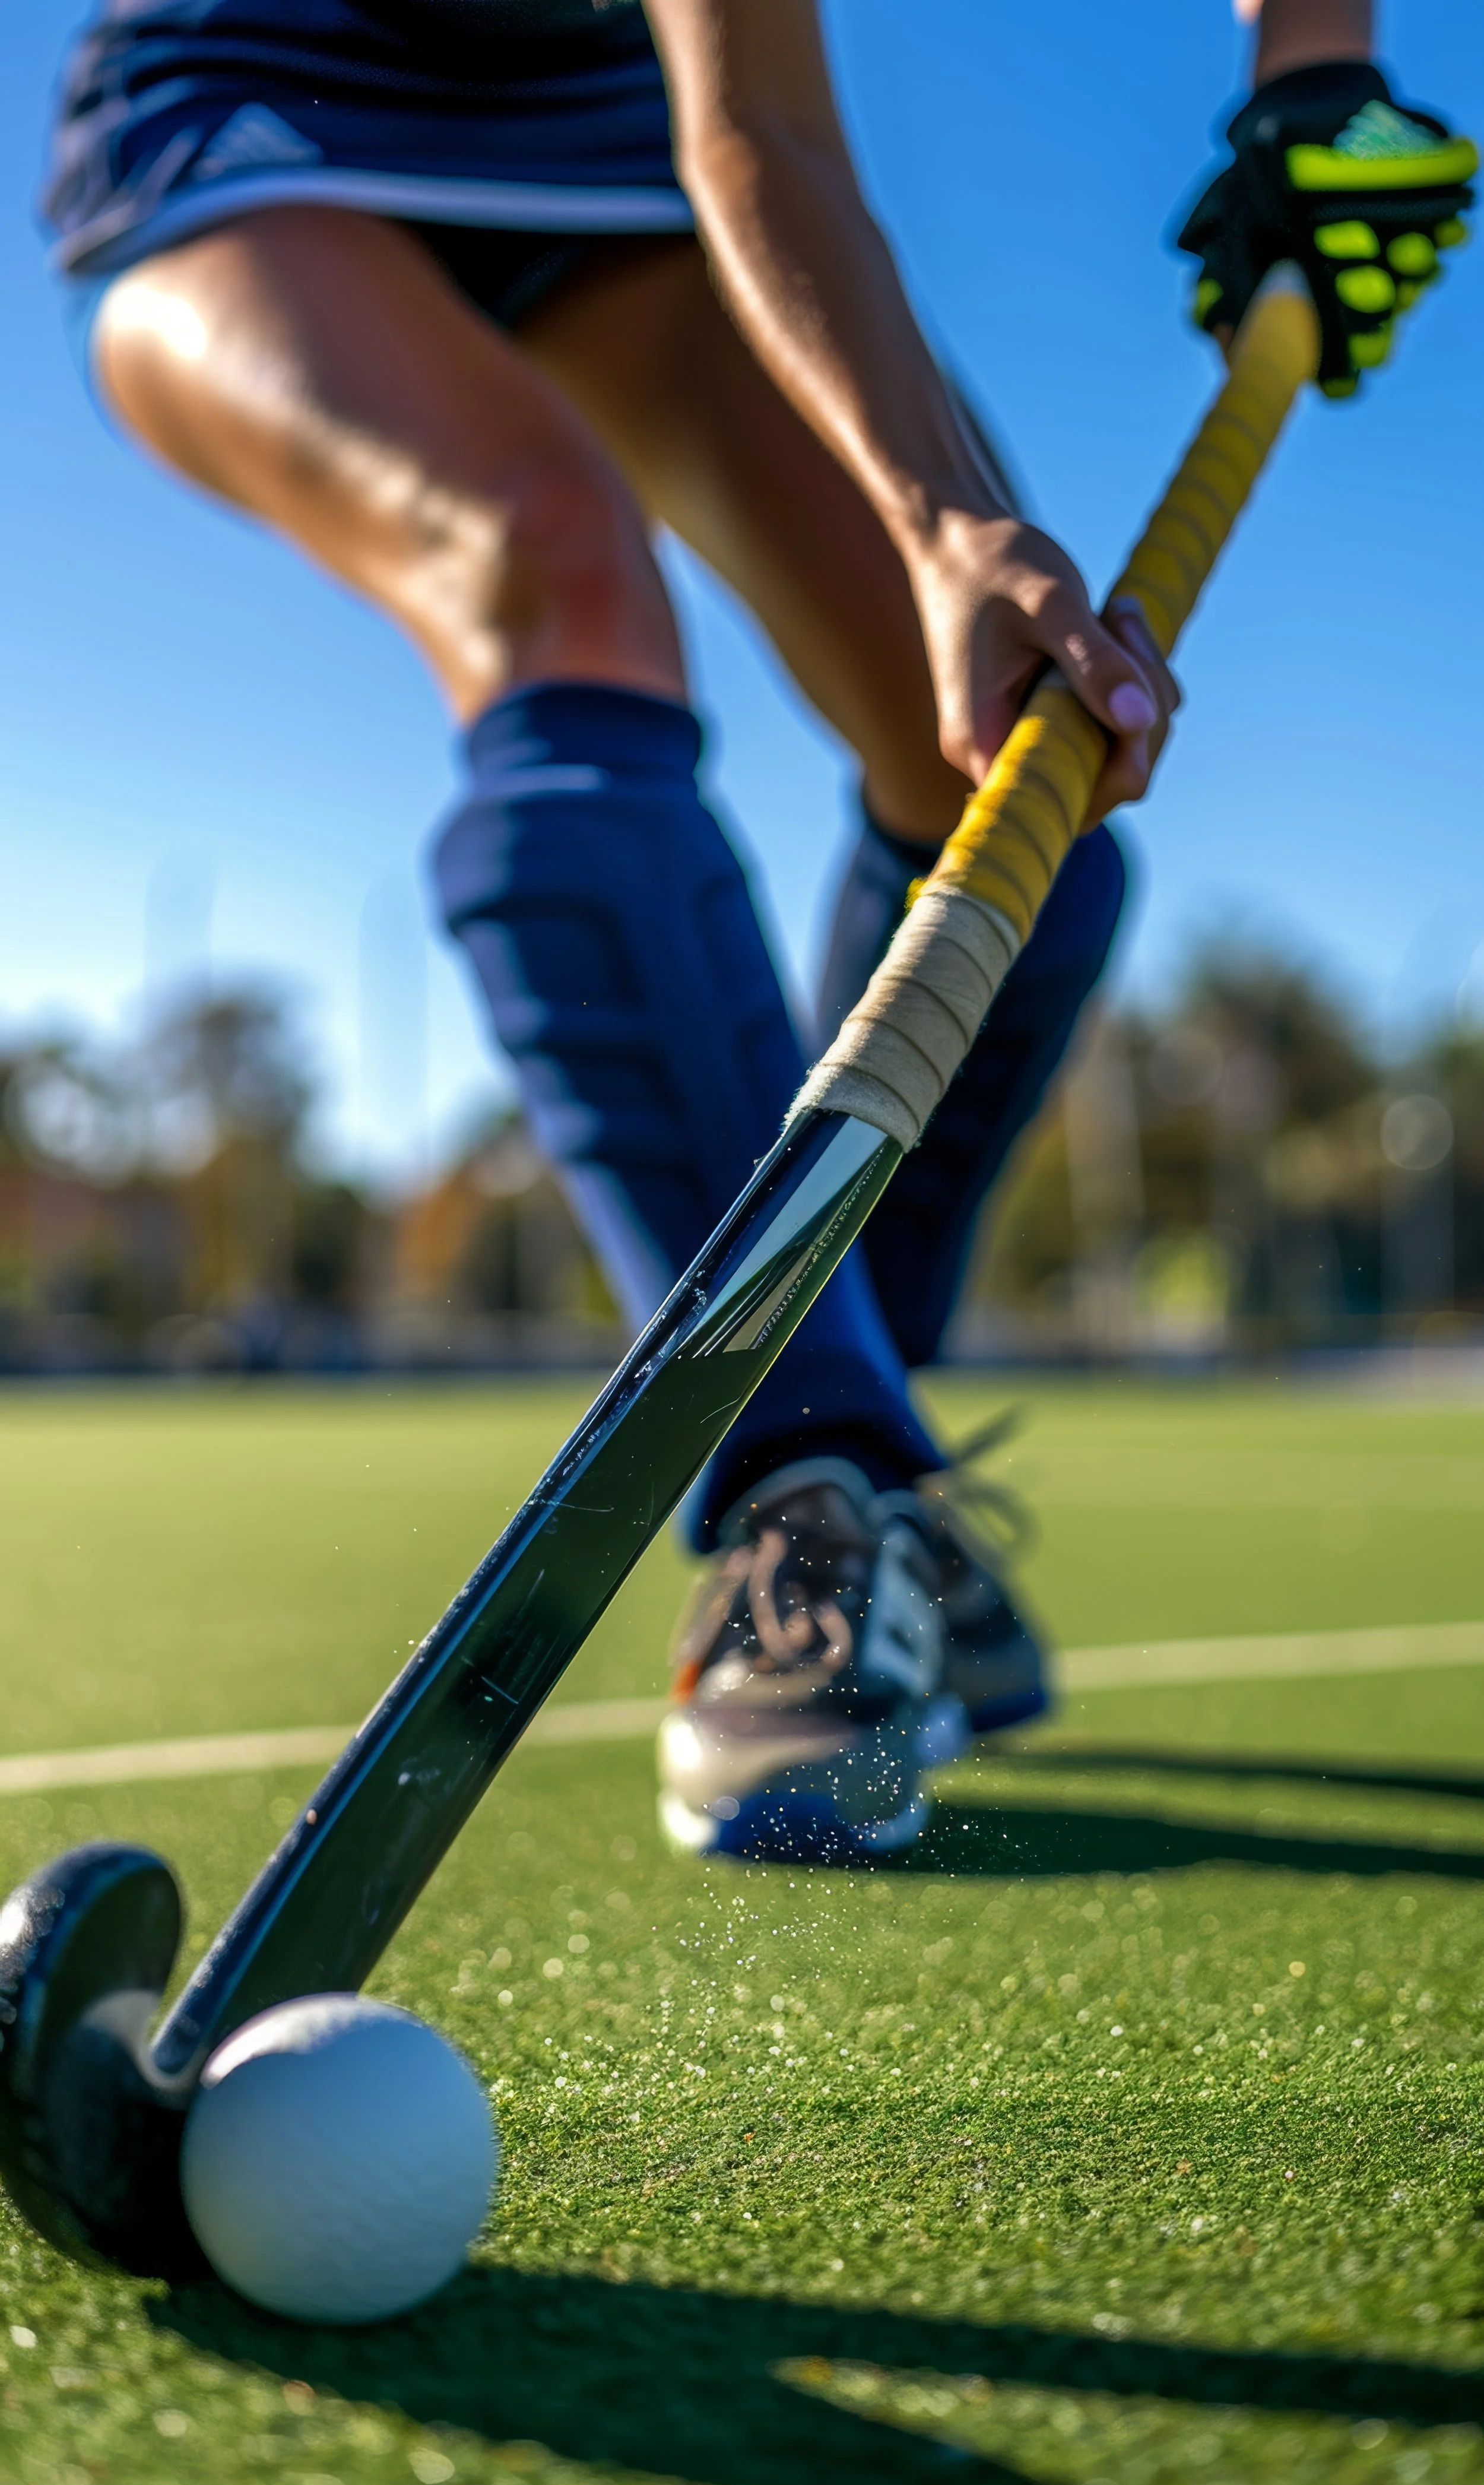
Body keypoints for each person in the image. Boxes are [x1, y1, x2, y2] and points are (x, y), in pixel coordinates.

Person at [39, 1, 1467, 1863]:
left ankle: (855, 1444)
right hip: (263, 103)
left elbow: (757, 130)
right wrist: (947, 511)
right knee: (544, 555)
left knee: (1006, 751)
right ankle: (810, 1471)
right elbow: (767, 143)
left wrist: (1315, 82)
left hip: (621, 135)